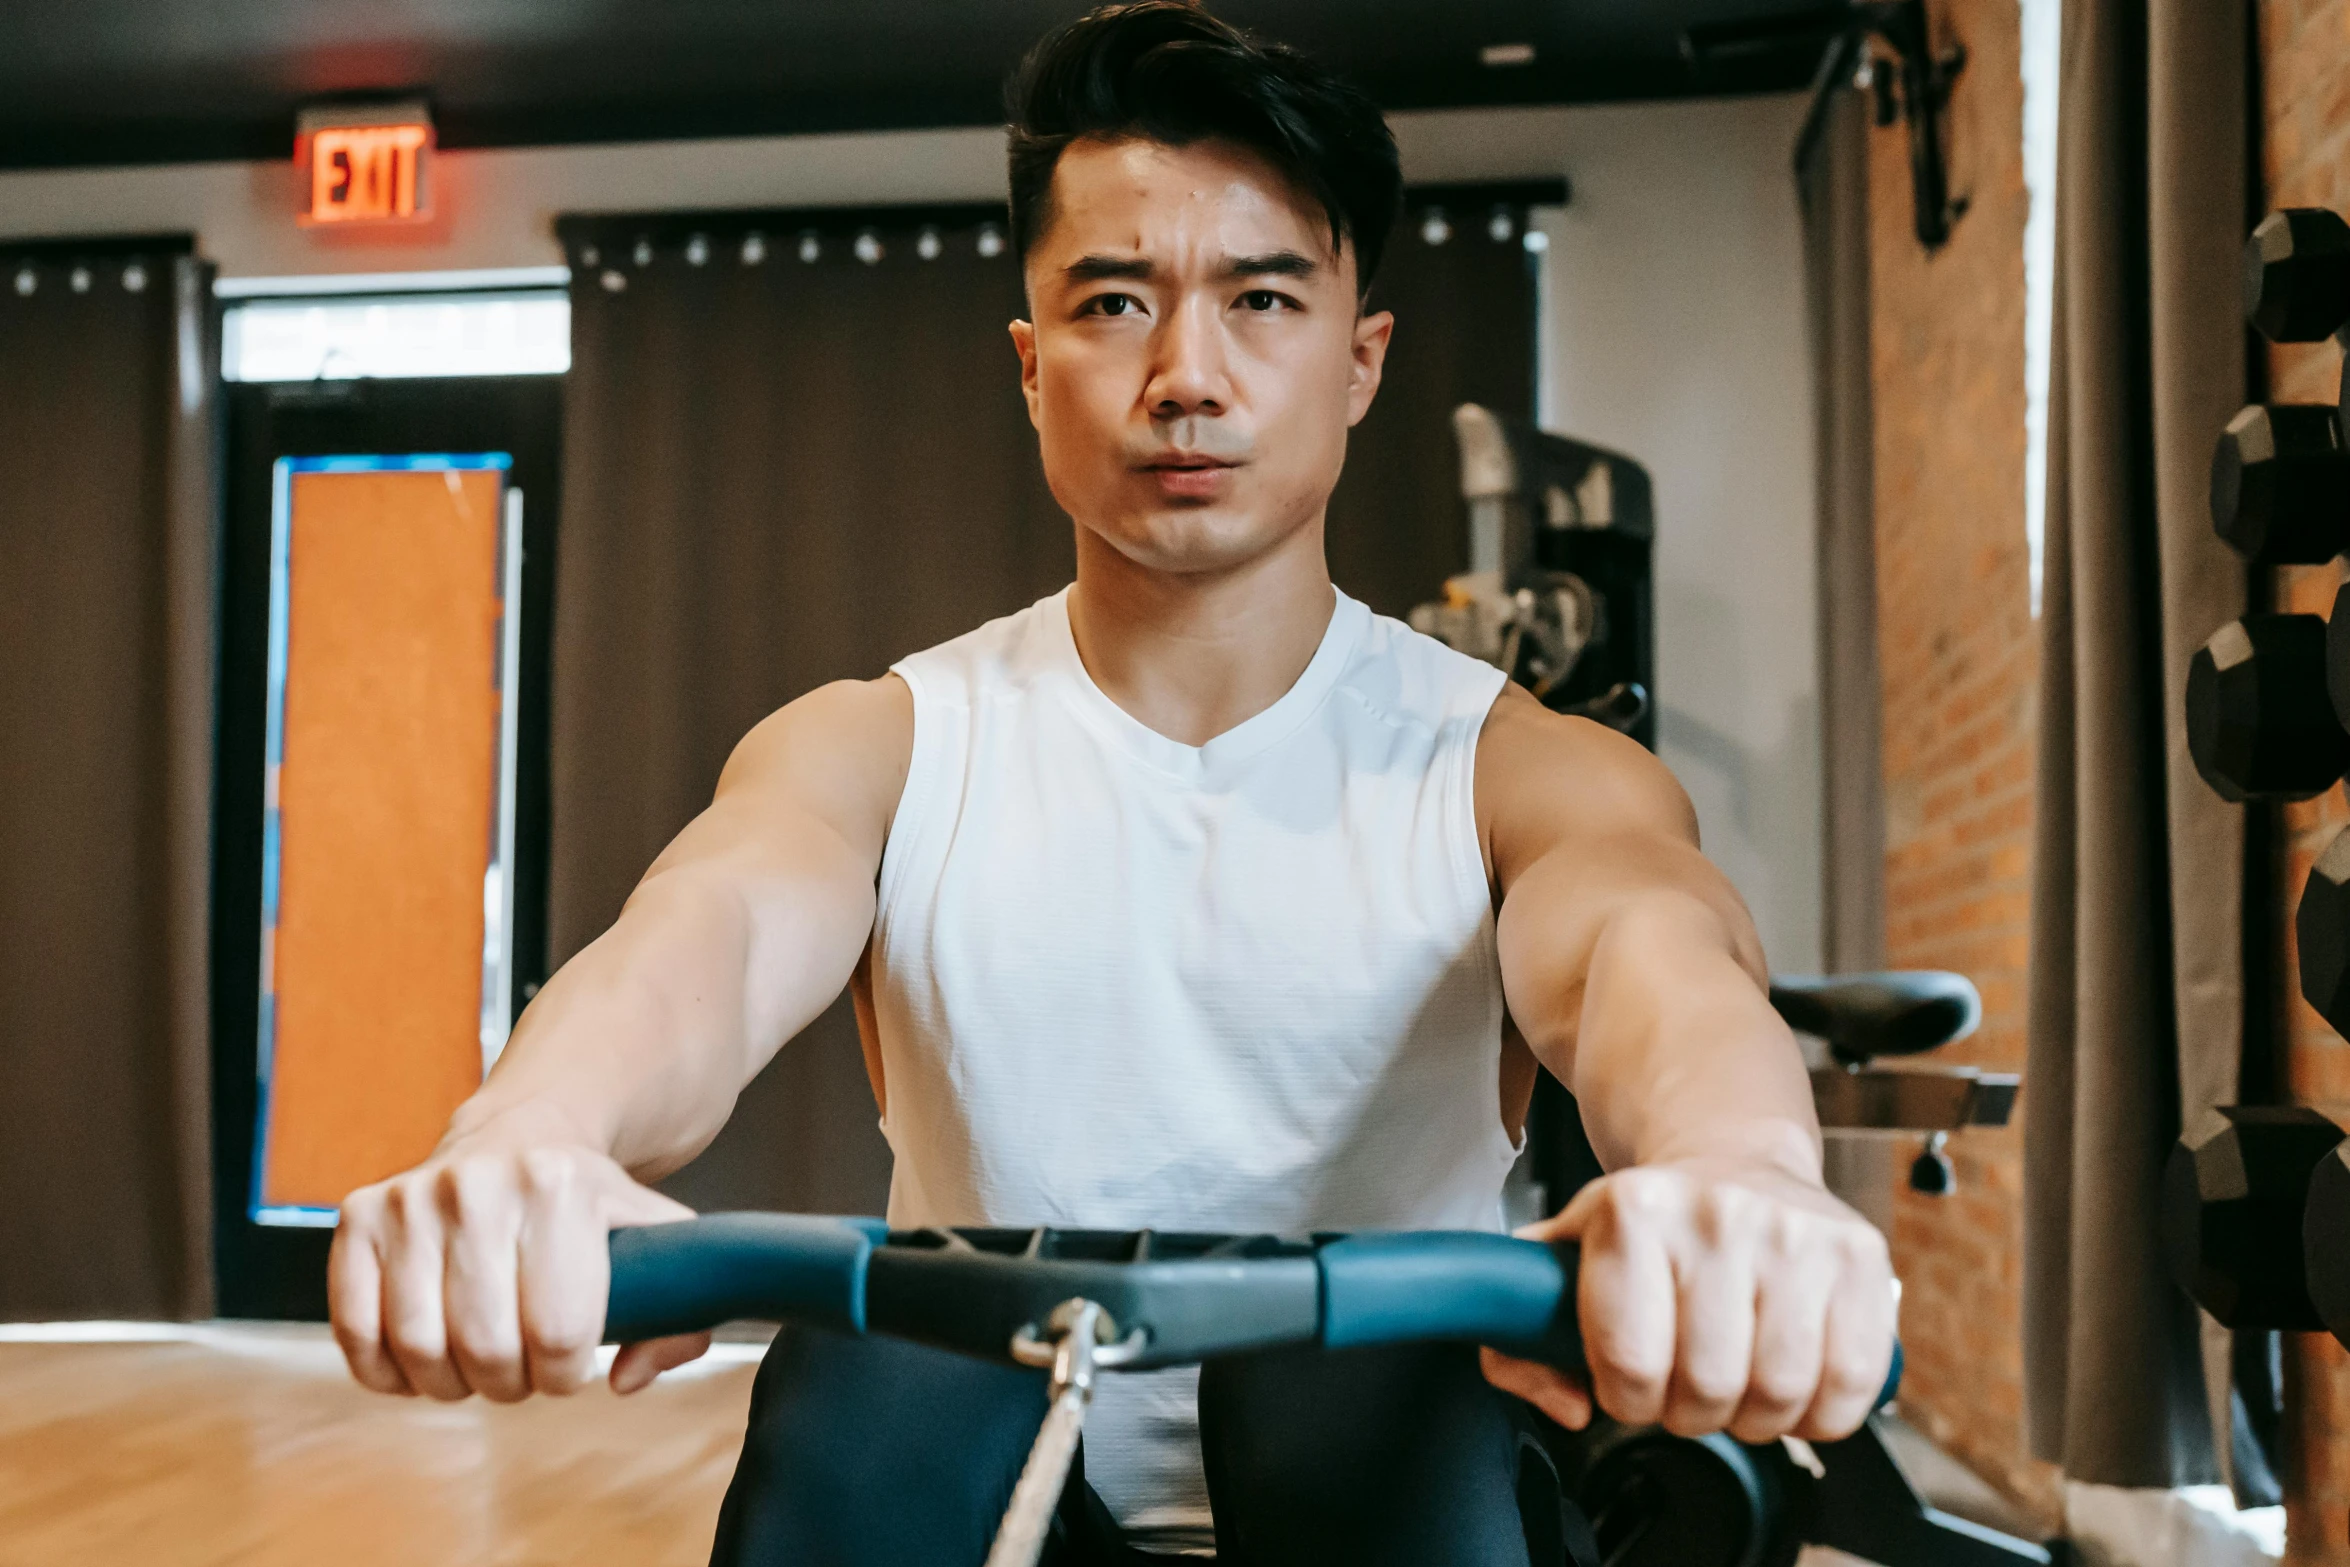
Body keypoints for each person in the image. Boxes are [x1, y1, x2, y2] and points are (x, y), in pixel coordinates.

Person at [328, 5, 1895, 1563]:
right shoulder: (881, 744)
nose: (1185, 376)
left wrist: (1738, 1174)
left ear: (1360, 363)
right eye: (1111, 304)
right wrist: (522, 1137)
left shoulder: (1515, 771)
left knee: (1340, 1391)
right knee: (877, 1372)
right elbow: (706, 943)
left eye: (1262, 298)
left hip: (1377, 1504)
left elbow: (1653, 962)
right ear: (1030, 365)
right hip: (991, 1488)